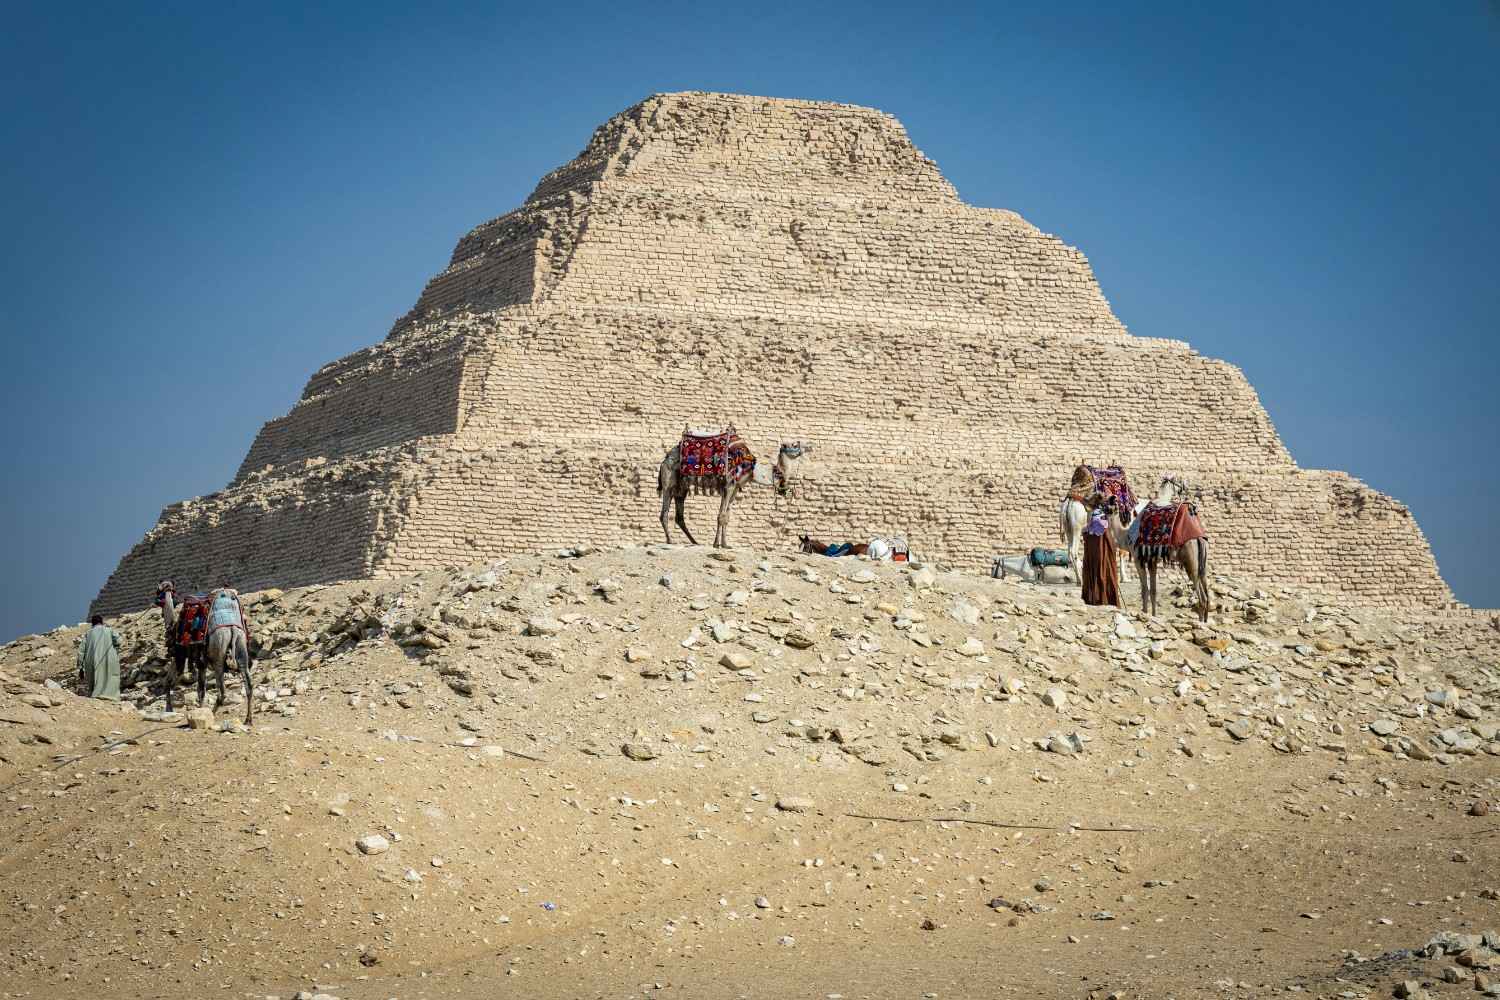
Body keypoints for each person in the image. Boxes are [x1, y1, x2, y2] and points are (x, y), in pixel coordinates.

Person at [1080, 504, 1122, 608]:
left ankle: (1091, 599)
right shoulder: (1105, 529)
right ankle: (1105, 599)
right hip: (1103, 558)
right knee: (1105, 574)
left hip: (1092, 560)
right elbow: (1112, 547)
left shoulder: (1087, 531)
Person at [77, 614, 122, 701]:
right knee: (110, 676)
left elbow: (81, 652)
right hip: (109, 658)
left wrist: (80, 667)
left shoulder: (88, 634)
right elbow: (119, 641)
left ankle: (96, 695)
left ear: (92, 624)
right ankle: (111, 696)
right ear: (102, 622)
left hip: (91, 661)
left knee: (94, 678)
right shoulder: (109, 630)